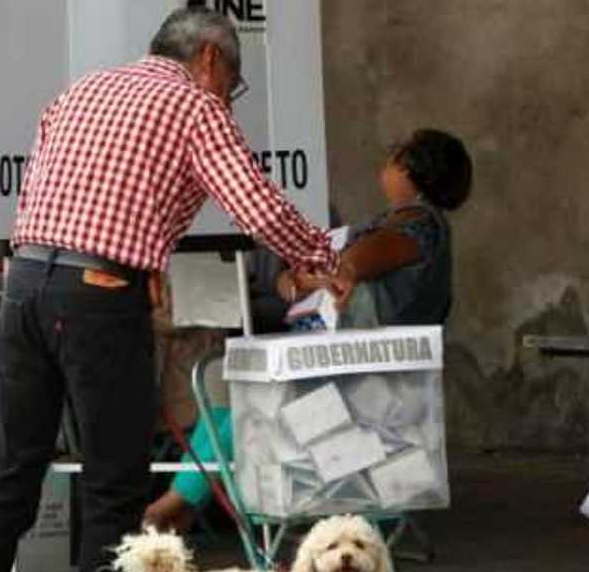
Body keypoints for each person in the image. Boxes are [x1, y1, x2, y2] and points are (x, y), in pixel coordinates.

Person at [0, 7, 345, 572]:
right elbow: (255, 205)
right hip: (96, 297)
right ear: (209, 59)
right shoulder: (192, 105)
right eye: (231, 81)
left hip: (24, 285)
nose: (226, 96)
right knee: (112, 489)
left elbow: (50, 196)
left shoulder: (81, 90)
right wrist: (318, 256)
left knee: (7, 481)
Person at [142, 128, 473, 532]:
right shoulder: (407, 223)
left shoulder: (419, 225)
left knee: (250, 397)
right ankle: (185, 501)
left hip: (366, 373)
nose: (383, 165)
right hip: (355, 365)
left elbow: (352, 263)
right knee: (234, 391)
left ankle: (178, 502)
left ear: (409, 169)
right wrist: (300, 279)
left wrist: (314, 274)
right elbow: (328, 269)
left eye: (392, 156)